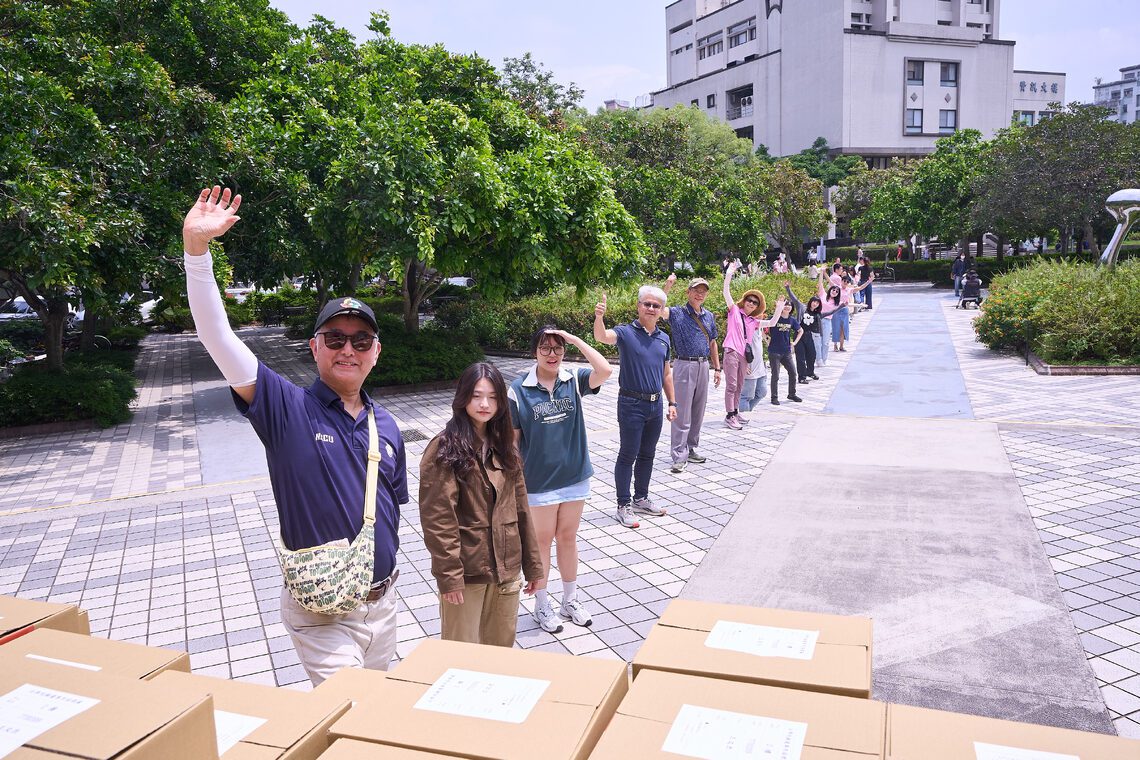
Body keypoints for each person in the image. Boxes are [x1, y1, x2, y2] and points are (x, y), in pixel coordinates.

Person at [181, 187, 407, 686]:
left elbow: (391, 510)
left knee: (365, 729)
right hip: (323, 615)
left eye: (361, 341)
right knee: (356, 709)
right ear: (314, 347)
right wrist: (197, 253)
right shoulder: (286, 407)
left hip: (383, 605)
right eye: (335, 339)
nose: (348, 349)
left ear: (375, 352)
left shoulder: (387, 427)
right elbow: (217, 336)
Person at [419, 362, 545, 647]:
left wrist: (533, 566)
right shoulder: (445, 449)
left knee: (500, 654)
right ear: (463, 397)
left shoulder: (505, 446)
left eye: (492, 396)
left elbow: (522, 509)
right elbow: (438, 520)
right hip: (468, 574)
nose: (485, 404)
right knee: (461, 655)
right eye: (476, 395)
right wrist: (449, 577)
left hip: (507, 569)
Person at [508, 326, 612, 633]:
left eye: (557, 348)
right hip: (538, 481)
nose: (552, 354)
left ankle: (570, 599)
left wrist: (575, 339)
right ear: (534, 352)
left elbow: (604, 369)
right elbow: (513, 441)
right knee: (541, 541)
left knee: (567, 537)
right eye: (545, 348)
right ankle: (542, 605)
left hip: (574, 475)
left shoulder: (574, 380)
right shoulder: (519, 389)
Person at [594, 287, 677, 529]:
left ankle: (641, 498)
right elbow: (602, 337)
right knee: (628, 454)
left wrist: (672, 402)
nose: (651, 308)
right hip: (631, 404)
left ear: (661, 311)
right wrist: (599, 317)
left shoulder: (664, 338)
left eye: (656, 306)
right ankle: (623, 504)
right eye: (647, 304)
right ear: (638, 306)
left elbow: (667, 374)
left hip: (656, 404)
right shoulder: (625, 332)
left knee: (648, 454)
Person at [660, 275, 721, 474]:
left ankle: (691, 447)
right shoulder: (678, 313)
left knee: (698, 410)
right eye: (696, 290)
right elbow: (659, 310)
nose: (700, 294)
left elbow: (712, 342)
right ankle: (678, 454)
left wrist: (717, 368)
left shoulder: (709, 316)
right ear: (688, 292)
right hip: (684, 364)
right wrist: (667, 287)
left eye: (703, 291)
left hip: (703, 365)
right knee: (682, 411)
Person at [721, 262, 765, 429]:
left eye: (755, 302)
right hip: (731, 351)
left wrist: (780, 308)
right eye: (749, 300)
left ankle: (736, 411)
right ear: (744, 301)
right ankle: (729, 416)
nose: (751, 303)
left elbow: (773, 322)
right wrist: (729, 274)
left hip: (743, 356)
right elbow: (726, 292)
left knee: (739, 386)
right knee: (731, 385)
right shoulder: (734, 312)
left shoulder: (752, 321)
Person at [824, 270, 873, 352]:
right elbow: (829, 281)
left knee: (844, 328)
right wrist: (824, 272)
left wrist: (869, 281)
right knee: (836, 327)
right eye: (844, 281)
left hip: (845, 310)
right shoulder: (837, 288)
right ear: (841, 281)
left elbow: (860, 288)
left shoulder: (849, 290)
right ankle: (835, 345)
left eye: (847, 282)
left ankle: (841, 346)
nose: (845, 283)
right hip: (836, 310)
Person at [764, 300, 801, 405]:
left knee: (793, 373)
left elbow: (800, 331)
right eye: (785, 305)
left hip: (786, 352)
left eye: (789, 305)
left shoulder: (792, 320)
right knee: (775, 375)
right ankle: (774, 397)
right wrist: (766, 339)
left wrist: (794, 342)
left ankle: (792, 394)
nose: (787, 307)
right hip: (774, 351)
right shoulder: (775, 317)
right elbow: (762, 327)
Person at [783, 281, 818, 381]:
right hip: (799, 335)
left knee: (812, 354)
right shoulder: (802, 307)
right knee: (801, 357)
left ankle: (810, 372)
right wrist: (788, 288)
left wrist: (841, 306)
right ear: (810, 301)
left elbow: (829, 312)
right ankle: (802, 377)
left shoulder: (817, 313)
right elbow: (794, 299)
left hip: (808, 335)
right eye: (814, 301)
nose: (815, 304)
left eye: (817, 303)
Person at [738, 319, 769, 412]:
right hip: (749, 367)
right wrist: (743, 364)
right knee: (746, 396)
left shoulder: (760, 327)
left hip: (760, 367)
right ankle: (744, 416)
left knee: (762, 392)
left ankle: (747, 411)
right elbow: (738, 346)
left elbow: (772, 322)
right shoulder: (746, 328)